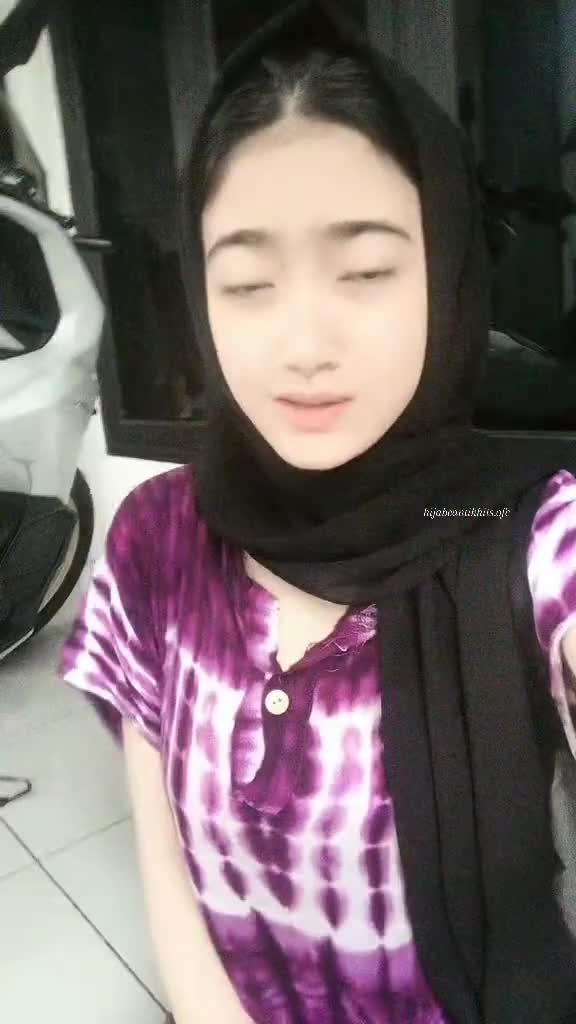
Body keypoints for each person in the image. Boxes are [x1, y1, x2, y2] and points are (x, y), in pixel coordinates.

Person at [60, 2, 576, 1022]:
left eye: (368, 270)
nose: (303, 345)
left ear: (446, 271)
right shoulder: (155, 537)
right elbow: (167, 867)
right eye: (248, 282)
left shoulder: (529, 537)